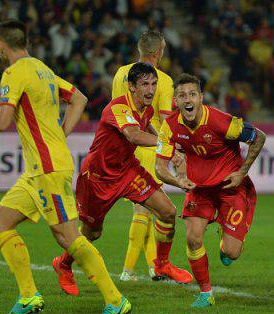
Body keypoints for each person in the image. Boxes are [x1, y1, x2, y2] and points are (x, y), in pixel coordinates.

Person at [0, 20, 130, 314]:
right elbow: (78, 98)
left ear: (1, 45)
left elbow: (1, 122)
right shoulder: (43, 69)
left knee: (67, 237)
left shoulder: (13, 73)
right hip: (38, 169)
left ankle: (116, 301)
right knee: (0, 223)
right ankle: (28, 296)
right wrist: (62, 132)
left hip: (48, 169)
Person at [52, 63, 192, 297]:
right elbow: (134, 135)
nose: (151, 90)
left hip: (127, 171)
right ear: (131, 87)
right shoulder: (117, 107)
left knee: (167, 211)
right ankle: (63, 264)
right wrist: (165, 145)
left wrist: (172, 152)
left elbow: (146, 125)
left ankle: (162, 264)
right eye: (145, 84)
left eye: (154, 84)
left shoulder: (145, 107)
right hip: (98, 177)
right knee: (92, 233)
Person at [155, 73, 266, 308]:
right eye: (182, 95)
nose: (188, 99)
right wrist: (178, 182)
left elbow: (259, 137)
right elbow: (159, 168)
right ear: (175, 100)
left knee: (232, 253)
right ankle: (206, 293)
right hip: (200, 189)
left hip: (230, 188)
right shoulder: (170, 127)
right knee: (193, 238)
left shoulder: (221, 121)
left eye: (192, 94)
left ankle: (225, 240)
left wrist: (242, 172)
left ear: (201, 98)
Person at [112, 30, 176, 281]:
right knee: (144, 210)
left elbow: (115, 111)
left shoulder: (120, 74)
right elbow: (166, 122)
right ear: (158, 52)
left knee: (148, 210)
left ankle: (152, 266)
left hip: (124, 146)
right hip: (149, 146)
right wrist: (172, 149)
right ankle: (128, 271)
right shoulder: (163, 80)